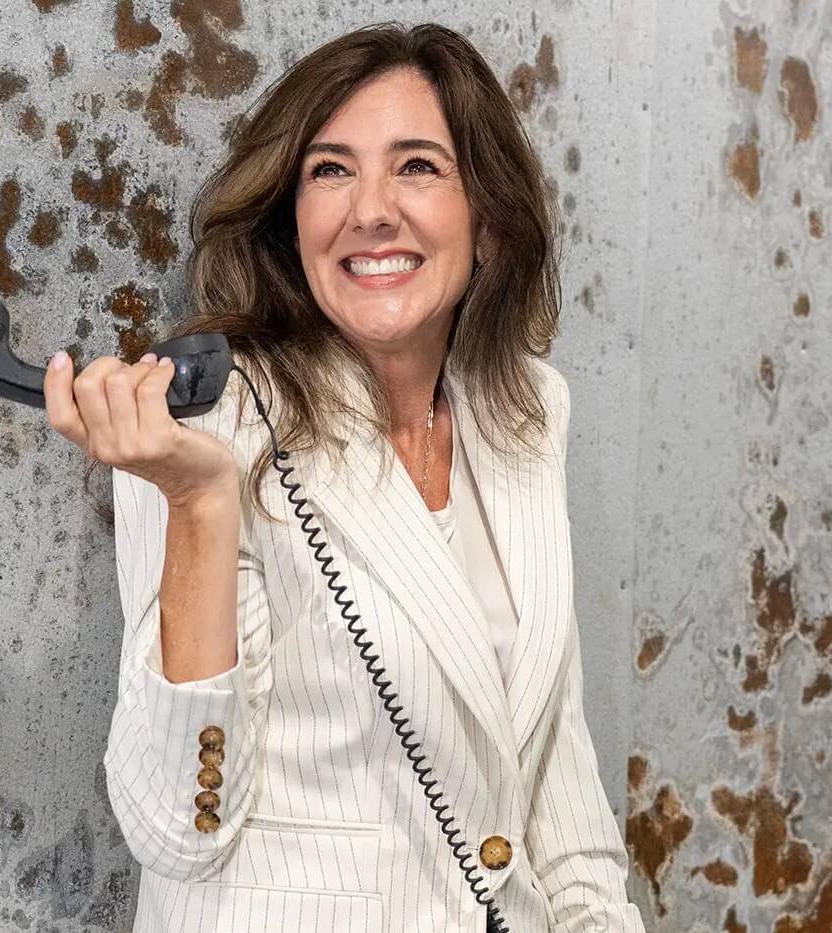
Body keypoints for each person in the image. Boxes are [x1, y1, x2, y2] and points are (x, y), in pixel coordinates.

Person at [43, 21, 646, 933]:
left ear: (484, 217)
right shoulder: (212, 417)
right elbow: (178, 827)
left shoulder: (524, 408)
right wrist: (202, 504)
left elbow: (548, 765)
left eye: (417, 167)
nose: (370, 208)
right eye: (330, 170)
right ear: (292, 220)